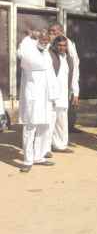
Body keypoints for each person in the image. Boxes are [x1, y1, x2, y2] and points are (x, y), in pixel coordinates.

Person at [18, 31, 58, 172]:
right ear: (37, 39)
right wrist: (29, 36)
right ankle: (28, 160)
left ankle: (39, 156)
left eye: (47, 39)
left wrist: (54, 95)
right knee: (30, 128)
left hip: (46, 97)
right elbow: (35, 62)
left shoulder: (46, 53)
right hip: (33, 97)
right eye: (42, 38)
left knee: (44, 127)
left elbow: (51, 75)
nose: (45, 41)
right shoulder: (28, 52)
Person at [47, 35, 79, 154]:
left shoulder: (68, 58)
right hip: (51, 95)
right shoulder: (49, 55)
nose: (62, 48)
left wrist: (75, 93)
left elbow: (74, 76)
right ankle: (46, 148)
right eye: (59, 45)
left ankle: (60, 145)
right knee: (50, 122)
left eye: (64, 45)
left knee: (62, 122)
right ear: (55, 45)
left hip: (64, 95)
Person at [48, 23, 81, 133]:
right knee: (51, 118)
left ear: (61, 31)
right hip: (50, 89)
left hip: (65, 88)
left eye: (55, 31)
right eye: (51, 31)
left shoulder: (69, 46)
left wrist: (75, 91)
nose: (52, 34)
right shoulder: (47, 46)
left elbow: (74, 67)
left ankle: (61, 143)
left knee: (63, 116)